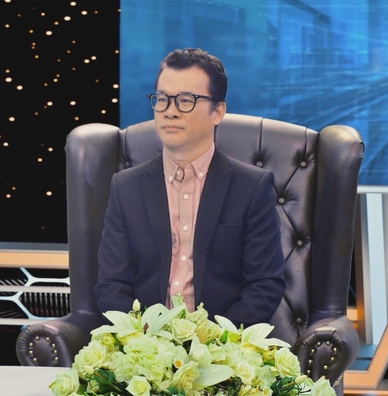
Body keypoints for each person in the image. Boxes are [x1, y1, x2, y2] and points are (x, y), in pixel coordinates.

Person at [94, 48, 286, 327]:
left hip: (223, 345)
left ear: (218, 111)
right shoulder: (126, 188)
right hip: (143, 345)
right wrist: (144, 338)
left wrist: (214, 341)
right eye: (162, 99)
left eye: (185, 100)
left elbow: (264, 286)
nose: (170, 112)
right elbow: (111, 284)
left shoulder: (252, 188)